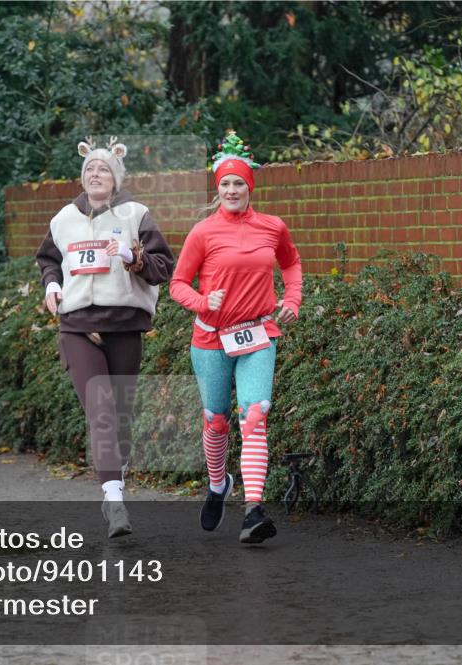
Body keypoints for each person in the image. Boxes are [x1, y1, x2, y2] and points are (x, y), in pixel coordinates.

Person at [36, 136, 174, 538]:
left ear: (115, 177)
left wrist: (134, 258)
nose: (95, 175)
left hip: (124, 325)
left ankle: (116, 469)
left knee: (121, 417)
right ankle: (114, 501)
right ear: (82, 178)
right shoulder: (64, 219)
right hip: (77, 325)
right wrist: (51, 286)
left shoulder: (136, 214)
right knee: (100, 411)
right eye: (89, 170)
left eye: (103, 170)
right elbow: (48, 260)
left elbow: (164, 267)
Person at [169, 131, 303, 544]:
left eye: (238, 183)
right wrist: (204, 301)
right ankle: (217, 485)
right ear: (218, 188)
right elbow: (177, 285)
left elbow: (292, 264)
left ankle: (253, 511)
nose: (231, 190)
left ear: (250, 187)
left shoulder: (272, 226)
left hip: (258, 333)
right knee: (217, 421)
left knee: (256, 415)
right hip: (211, 338)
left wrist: (292, 300)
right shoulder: (203, 232)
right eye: (225, 183)